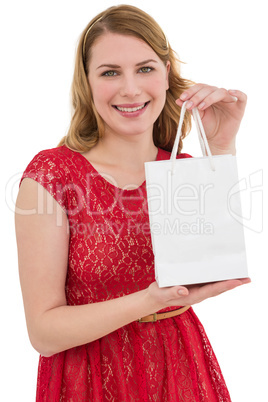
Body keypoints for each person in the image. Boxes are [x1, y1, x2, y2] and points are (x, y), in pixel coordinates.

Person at [15, 4, 250, 401]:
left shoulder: (184, 172)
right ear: (86, 84)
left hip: (179, 371)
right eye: (110, 72)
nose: (130, 89)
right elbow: (43, 333)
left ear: (167, 76)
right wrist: (149, 300)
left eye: (145, 68)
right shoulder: (54, 174)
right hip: (88, 379)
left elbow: (217, 263)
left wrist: (222, 147)